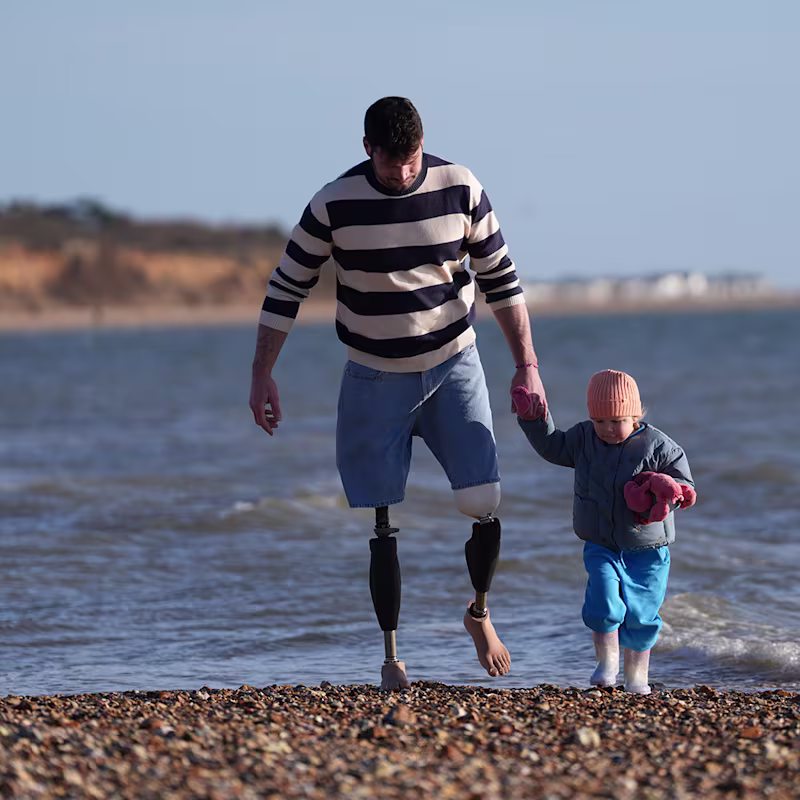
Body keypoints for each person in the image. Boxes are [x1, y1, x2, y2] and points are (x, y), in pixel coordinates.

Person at [249, 96, 547, 690]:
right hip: (373, 374)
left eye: (411, 159)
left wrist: (527, 366)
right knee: (381, 518)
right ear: (368, 150)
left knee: (482, 500)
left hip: (452, 363)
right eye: (392, 162)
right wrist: (262, 375)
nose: (404, 173)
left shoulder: (459, 188)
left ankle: (479, 613)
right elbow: (285, 290)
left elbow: (502, 281)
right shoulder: (332, 204)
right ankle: (391, 659)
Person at [514, 369, 695, 693]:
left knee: (642, 614)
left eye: (617, 421)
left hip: (648, 550)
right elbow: (551, 446)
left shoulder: (658, 445)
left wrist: (674, 493)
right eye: (600, 421)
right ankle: (607, 663)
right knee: (604, 604)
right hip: (602, 545)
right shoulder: (584, 439)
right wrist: (533, 418)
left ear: (636, 415)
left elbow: (684, 484)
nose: (608, 429)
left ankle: (637, 677)